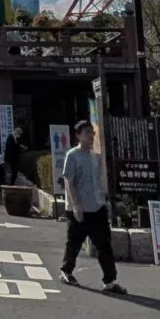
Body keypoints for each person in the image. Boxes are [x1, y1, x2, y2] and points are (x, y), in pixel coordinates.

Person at [59, 120, 125, 294]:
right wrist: (75, 205)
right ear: (78, 135)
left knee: (104, 244)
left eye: (92, 133)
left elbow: (100, 180)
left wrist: (105, 200)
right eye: (87, 133)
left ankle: (110, 281)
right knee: (74, 242)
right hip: (79, 207)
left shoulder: (96, 156)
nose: (90, 136)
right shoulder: (72, 155)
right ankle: (66, 271)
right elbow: (69, 182)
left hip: (97, 205)